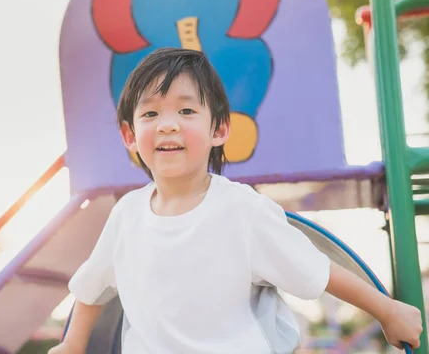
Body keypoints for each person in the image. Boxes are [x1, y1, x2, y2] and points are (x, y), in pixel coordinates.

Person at [48, 48, 423, 353]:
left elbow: (317, 269)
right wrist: (73, 344)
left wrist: (387, 310)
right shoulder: (126, 216)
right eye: (150, 113)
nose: (168, 124)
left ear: (219, 129)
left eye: (186, 110)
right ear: (130, 135)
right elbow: (91, 287)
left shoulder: (242, 211)